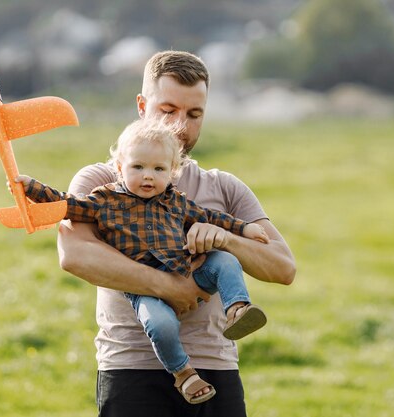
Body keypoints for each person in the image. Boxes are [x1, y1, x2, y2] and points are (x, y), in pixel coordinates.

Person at [57, 50, 296, 417]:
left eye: (194, 114)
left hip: (216, 368)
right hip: (130, 370)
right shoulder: (99, 181)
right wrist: (167, 287)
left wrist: (225, 237)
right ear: (141, 104)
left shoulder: (225, 188)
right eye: (167, 110)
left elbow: (283, 267)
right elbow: (75, 255)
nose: (180, 126)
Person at [14, 118, 270, 404]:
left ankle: (237, 308)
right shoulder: (105, 200)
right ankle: (184, 373)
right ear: (120, 168)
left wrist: (244, 228)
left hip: (186, 270)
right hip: (145, 290)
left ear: (172, 173)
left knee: (223, 260)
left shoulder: (177, 201)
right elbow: (67, 204)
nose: (148, 176)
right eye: (138, 167)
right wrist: (31, 189)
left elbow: (212, 218)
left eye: (158, 169)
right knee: (160, 326)